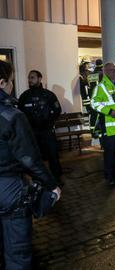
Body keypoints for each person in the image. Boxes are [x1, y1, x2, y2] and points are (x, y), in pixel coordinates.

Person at [0, 60, 61, 269]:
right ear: (2, 83)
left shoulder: (43, 97)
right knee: (17, 251)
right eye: (10, 82)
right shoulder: (10, 115)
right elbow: (29, 158)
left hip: (44, 135)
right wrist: (51, 184)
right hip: (8, 189)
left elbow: (56, 110)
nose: (12, 86)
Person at [18, 70, 63, 185]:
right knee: (35, 158)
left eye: (32, 77)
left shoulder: (48, 95)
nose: (30, 80)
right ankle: (38, 181)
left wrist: (48, 121)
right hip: (32, 132)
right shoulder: (24, 96)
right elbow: (20, 113)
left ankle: (56, 179)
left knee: (53, 156)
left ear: (39, 78)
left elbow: (57, 110)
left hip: (47, 131)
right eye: (29, 78)